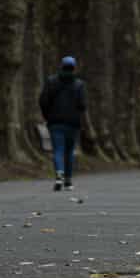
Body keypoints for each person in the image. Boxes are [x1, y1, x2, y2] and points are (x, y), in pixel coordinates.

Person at [39, 56, 87, 191]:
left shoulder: (51, 81)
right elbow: (82, 105)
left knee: (58, 150)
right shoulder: (79, 84)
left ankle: (59, 174)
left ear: (61, 66)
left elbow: (43, 101)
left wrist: (47, 115)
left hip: (55, 122)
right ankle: (68, 180)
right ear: (74, 67)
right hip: (72, 123)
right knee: (69, 151)